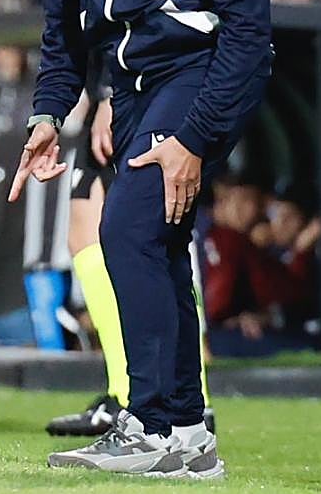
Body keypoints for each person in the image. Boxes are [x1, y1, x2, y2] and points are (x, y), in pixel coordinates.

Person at [11, 0, 272, 478]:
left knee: (126, 229)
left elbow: (251, 38)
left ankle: (148, 423)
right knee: (154, 242)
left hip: (200, 71)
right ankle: (187, 436)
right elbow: (63, 23)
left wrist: (195, 135)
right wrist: (47, 113)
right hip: (127, 88)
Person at [46, 63, 217, 438]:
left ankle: (156, 397)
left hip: (140, 87)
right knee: (92, 232)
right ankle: (135, 392)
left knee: (151, 237)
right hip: (123, 87)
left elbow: (125, 11)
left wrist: (109, 92)